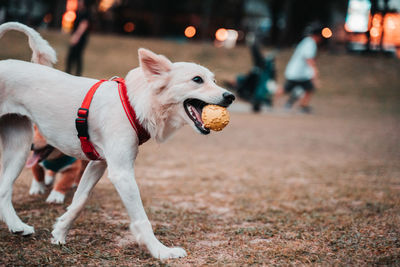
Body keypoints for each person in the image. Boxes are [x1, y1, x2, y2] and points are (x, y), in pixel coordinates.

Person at [277, 24, 323, 113]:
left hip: (300, 73)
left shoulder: (307, 41)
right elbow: (309, 59)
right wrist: (314, 72)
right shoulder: (310, 43)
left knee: (309, 88)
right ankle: (267, 99)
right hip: (297, 73)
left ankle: (303, 105)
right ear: (317, 36)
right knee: (285, 89)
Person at [65, 0, 91, 76]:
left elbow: (83, 25)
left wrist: (76, 36)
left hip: (81, 38)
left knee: (77, 55)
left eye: (80, 2)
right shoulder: (77, 12)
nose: (79, 3)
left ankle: (76, 73)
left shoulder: (85, 13)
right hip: (77, 36)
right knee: (72, 55)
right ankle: (69, 72)